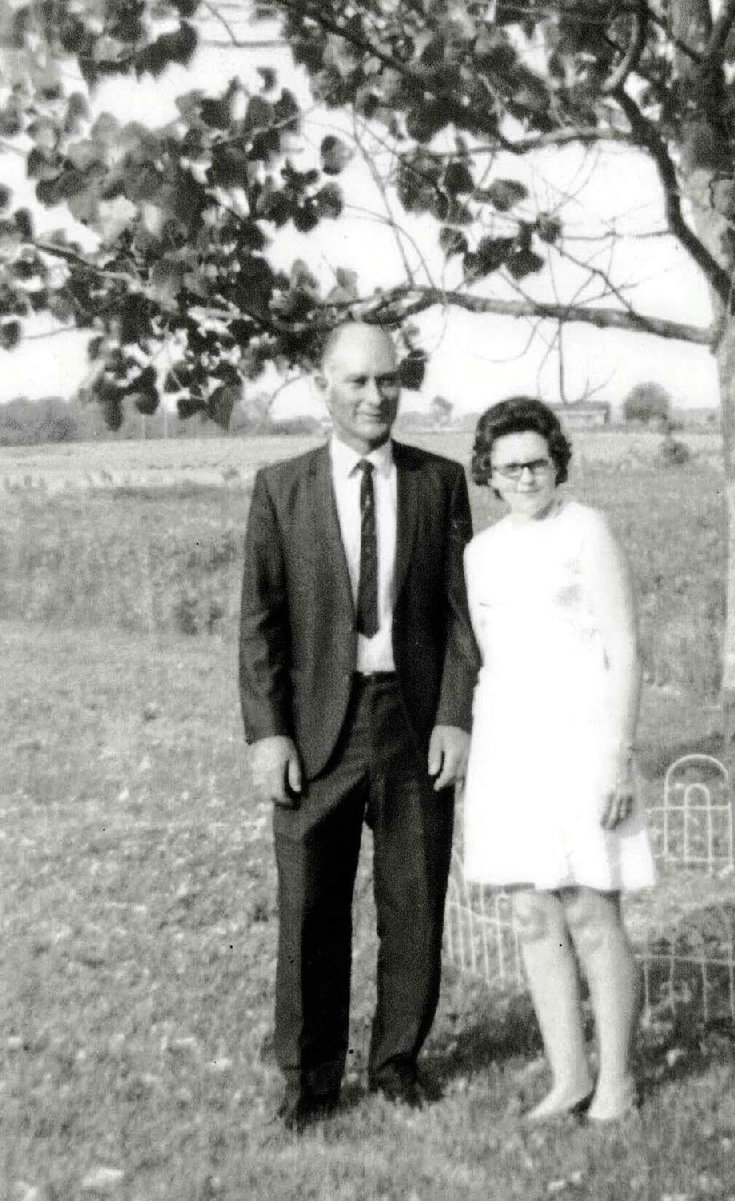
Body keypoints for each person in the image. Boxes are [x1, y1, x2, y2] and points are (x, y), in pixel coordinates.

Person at [239, 321, 478, 1132]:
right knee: (310, 907)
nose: (376, 396)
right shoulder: (280, 487)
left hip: (412, 724)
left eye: (388, 380)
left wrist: (454, 716)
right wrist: (267, 733)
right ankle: (309, 1081)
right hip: (315, 732)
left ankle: (397, 1063)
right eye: (357, 382)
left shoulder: (441, 483)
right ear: (324, 387)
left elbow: (459, 619)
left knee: (413, 900)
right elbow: (260, 623)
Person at [462, 396, 655, 1123]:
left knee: (589, 907)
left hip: (584, 741)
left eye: (537, 461)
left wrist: (618, 755)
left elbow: (626, 649)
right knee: (532, 914)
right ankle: (568, 1076)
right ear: (489, 472)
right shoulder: (479, 553)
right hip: (511, 745)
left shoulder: (587, 530)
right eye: (509, 466)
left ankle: (618, 1081)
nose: (525, 476)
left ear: (556, 460)